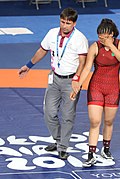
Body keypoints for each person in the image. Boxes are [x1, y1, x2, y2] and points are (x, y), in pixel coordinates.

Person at [18, 7, 88, 160]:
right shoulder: (51, 33)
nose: (64, 26)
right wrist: (28, 66)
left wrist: (77, 79)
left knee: (68, 115)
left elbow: (83, 62)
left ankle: (63, 146)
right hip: (54, 79)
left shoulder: (80, 39)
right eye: (62, 22)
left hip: (71, 81)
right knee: (49, 112)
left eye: (68, 23)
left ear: (74, 24)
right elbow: (42, 50)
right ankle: (58, 140)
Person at [70, 18, 120, 167]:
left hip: (113, 89)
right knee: (95, 121)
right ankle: (91, 154)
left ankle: (106, 150)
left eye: (105, 36)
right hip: (96, 87)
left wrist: (111, 46)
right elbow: (87, 67)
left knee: (109, 121)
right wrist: (78, 85)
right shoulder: (95, 47)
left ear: (112, 34)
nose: (102, 39)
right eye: (100, 36)